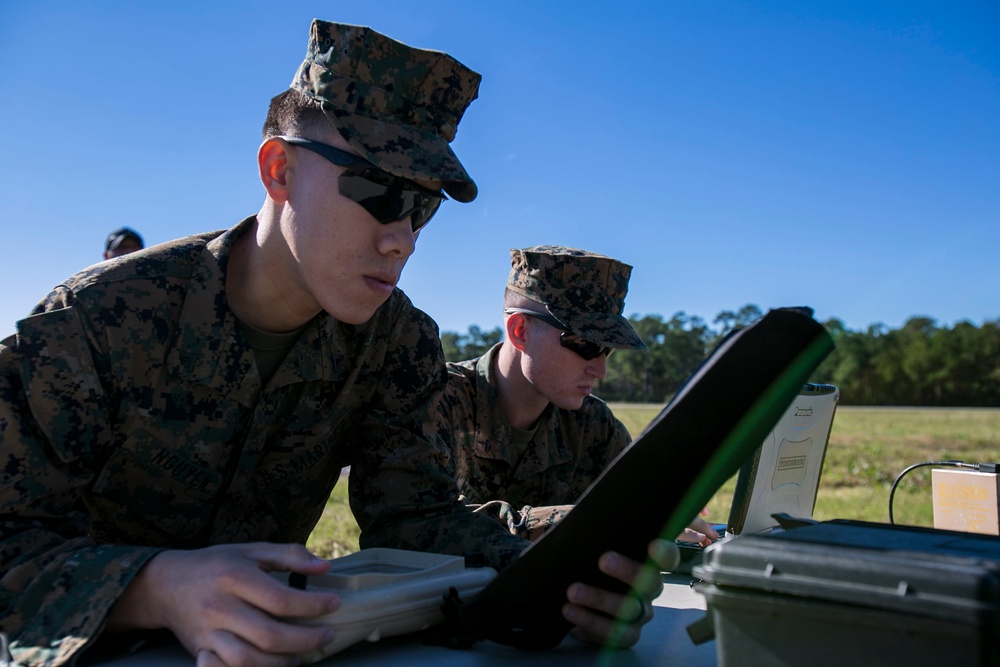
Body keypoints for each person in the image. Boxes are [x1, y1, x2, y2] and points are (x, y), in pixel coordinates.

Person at [0, 21, 668, 667]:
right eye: (377, 191)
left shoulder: (395, 343)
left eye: (422, 207)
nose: (402, 237)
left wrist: (550, 578)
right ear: (279, 169)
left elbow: (414, 520)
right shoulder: (99, 320)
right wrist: (154, 586)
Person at [440, 246, 718, 543]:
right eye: (585, 344)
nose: (600, 370)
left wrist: (662, 513)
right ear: (520, 330)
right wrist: (599, 520)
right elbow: (429, 520)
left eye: (607, 349)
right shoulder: (435, 400)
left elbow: (638, 504)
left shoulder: (594, 426)